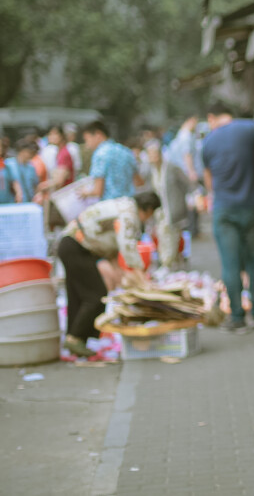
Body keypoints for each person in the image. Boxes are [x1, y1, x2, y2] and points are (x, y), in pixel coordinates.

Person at [202, 103, 254, 333]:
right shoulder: (250, 129)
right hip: (252, 207)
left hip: (224, 210)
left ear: (212, 117)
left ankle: (237, 316)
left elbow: (209, 182)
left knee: (230, 264)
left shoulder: (208, 141)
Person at [57, 191, 161, 357]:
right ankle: (75, 337)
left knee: (78, 295)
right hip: (75, 246)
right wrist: (142, 280)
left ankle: (75, 339)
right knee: (95, 294)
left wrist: (132, 278)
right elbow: (127, 247)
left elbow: (116, 252)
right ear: (148, 211)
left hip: (71, 245)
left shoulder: (125, 205)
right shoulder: (129, 214)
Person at [142, 141, 190, 269]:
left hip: (172, 207)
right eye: (150, 155)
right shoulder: (149, 171)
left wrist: (191, 197)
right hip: (159, 209)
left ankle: (167, 263)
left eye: (155, 154)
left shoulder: (172, 168)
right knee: (161, 235)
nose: (153, 158)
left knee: (170, 235)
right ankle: (168, 262)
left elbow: (186, 183)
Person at [80, 120, 138, 200]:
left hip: (109, 206)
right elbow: (138, 182)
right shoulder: (126, 151)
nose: (87, 145)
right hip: (128, 204)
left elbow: (98, 191)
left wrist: (85, 192)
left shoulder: (100, 154)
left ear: (98, 134)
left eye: (87, 139)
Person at [167, 116, 201, 237]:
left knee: (189, 201)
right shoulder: (186, 136)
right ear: (190, 120)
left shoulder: (180, 135)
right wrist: (191, 171)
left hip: (180, 173)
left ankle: (190, 229)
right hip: (185, 173)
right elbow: (187, 155)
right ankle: (192, 229)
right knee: (192, 201)